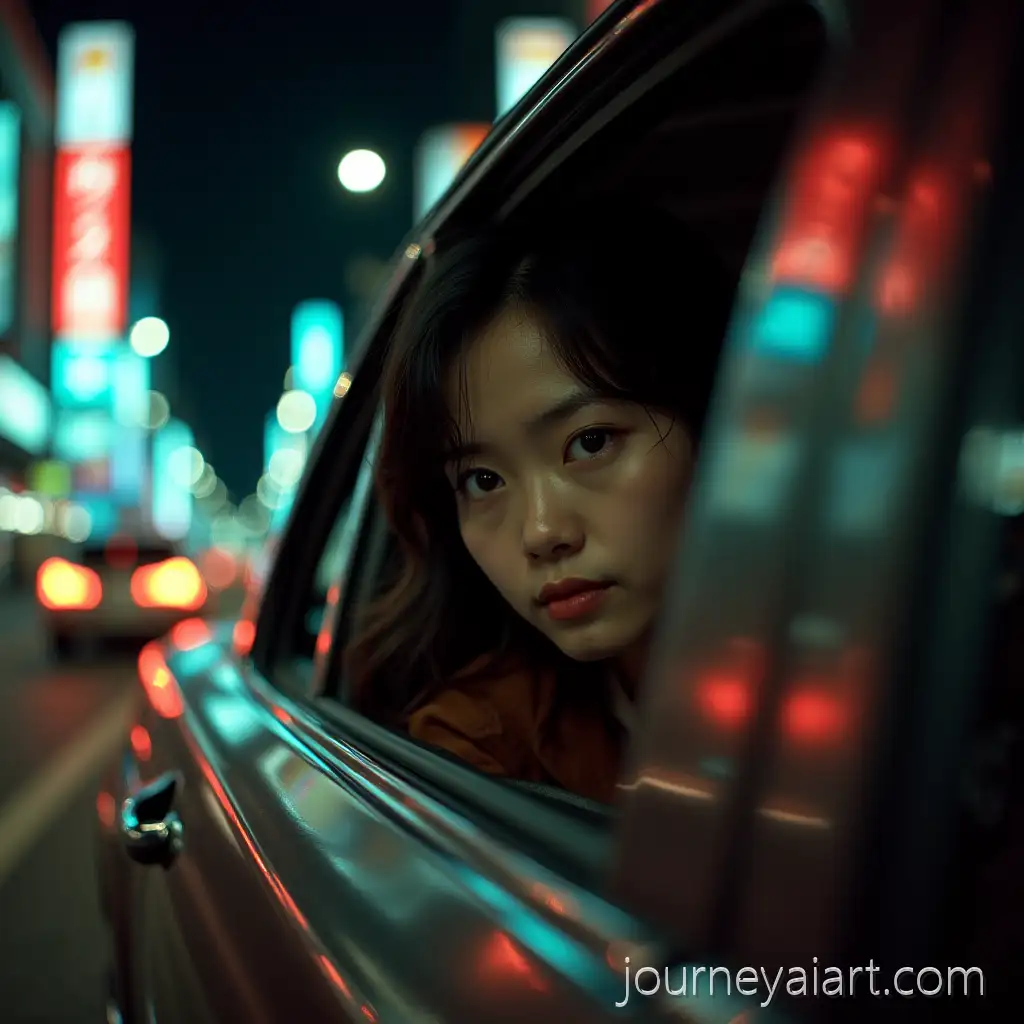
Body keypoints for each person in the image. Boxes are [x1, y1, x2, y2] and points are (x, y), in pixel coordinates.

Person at [345, 210, 736, 803]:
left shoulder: (893, 695)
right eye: (481, 479)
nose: (542, 530)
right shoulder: (480, 743)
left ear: (716, 426)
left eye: (591, 442)